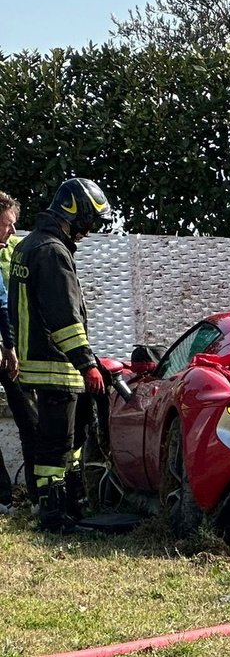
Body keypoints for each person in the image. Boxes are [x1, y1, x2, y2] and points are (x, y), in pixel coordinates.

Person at [9, 178, 114, 532]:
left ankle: (68, 506)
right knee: (58, 447)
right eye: (89, 222)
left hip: (38, 363)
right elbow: (64, 316)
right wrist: (87, 363)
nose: (89, 231)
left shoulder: (29, 245)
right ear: (75, 213)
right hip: (57, 366)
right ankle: (55, 517)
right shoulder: (53, 252)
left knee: (64, 443)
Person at [0, 192, 40, 508]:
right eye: (7, 224)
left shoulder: (18, 250)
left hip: (12, 346)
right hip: (7, 346)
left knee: (30, 420)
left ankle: (39, 494)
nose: (13, 231)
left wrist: (11, 345)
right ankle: (4, 497)